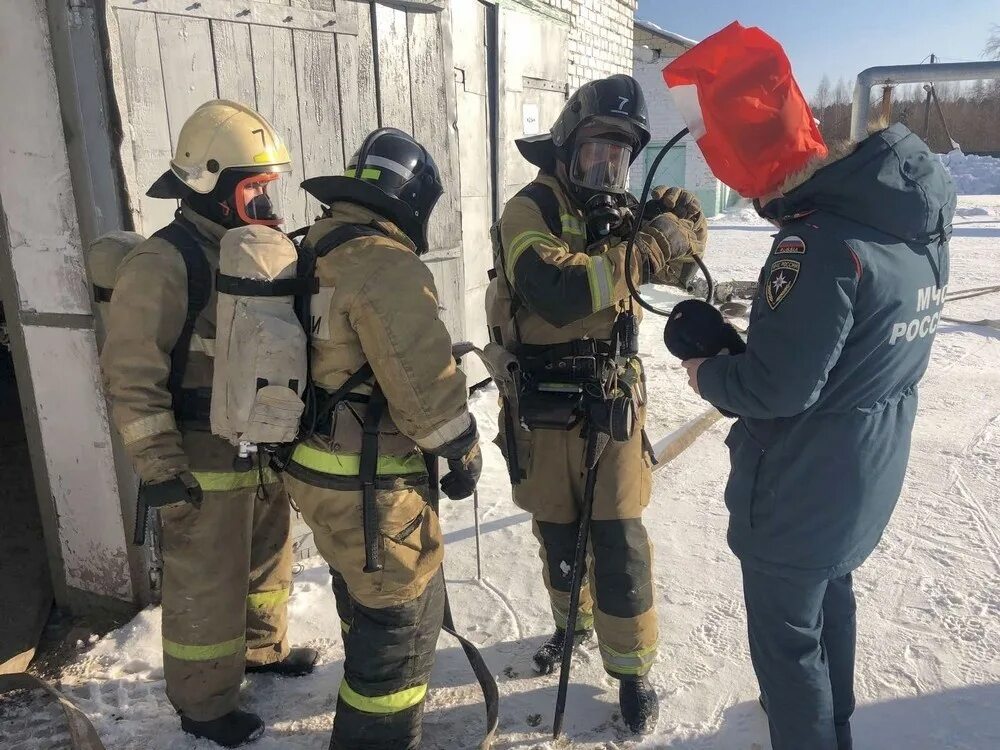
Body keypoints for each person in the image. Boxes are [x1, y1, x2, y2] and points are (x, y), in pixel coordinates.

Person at [681, 120, 955, 750]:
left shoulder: (816, 244)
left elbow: (777, 389)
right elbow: (847, 351)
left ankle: (809, 730)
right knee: (831, 595)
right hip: (867, 469)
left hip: (802, 486)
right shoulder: (913, 227)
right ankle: (834, 724)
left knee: (787, 641)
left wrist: (709, 374)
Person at [492, 74, 707, 734]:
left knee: (618, 545)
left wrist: (682, 226)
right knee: (560, 540)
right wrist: (645, 247)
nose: (606, 169)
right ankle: (571, 626)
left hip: (612, 402)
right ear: (564, 149)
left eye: (619, 156)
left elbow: (684, 264)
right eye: (594, 151)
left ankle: (632, 671)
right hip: (544, 410)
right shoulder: (526, 210)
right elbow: (556, 288)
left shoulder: (621, 218)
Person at [101, 100, 317, 748]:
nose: (265, 206)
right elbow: (130, 374)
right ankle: (203, 704)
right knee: (206, 584)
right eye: (253, 190)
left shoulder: (249, 253)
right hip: (200, 459)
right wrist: (160, 468)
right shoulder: (165, 263)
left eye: (267, 190)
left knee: (265, 564)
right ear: (210, 184)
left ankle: (261, 650)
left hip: (260, 446)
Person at [284, 128, 481, 750]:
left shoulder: (311, 244)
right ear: (415, 197)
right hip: (370, 487)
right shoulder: (386, 264)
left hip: (314, 470)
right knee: (402, 631)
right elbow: (428, 397)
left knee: (363, 601)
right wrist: (466, 449)